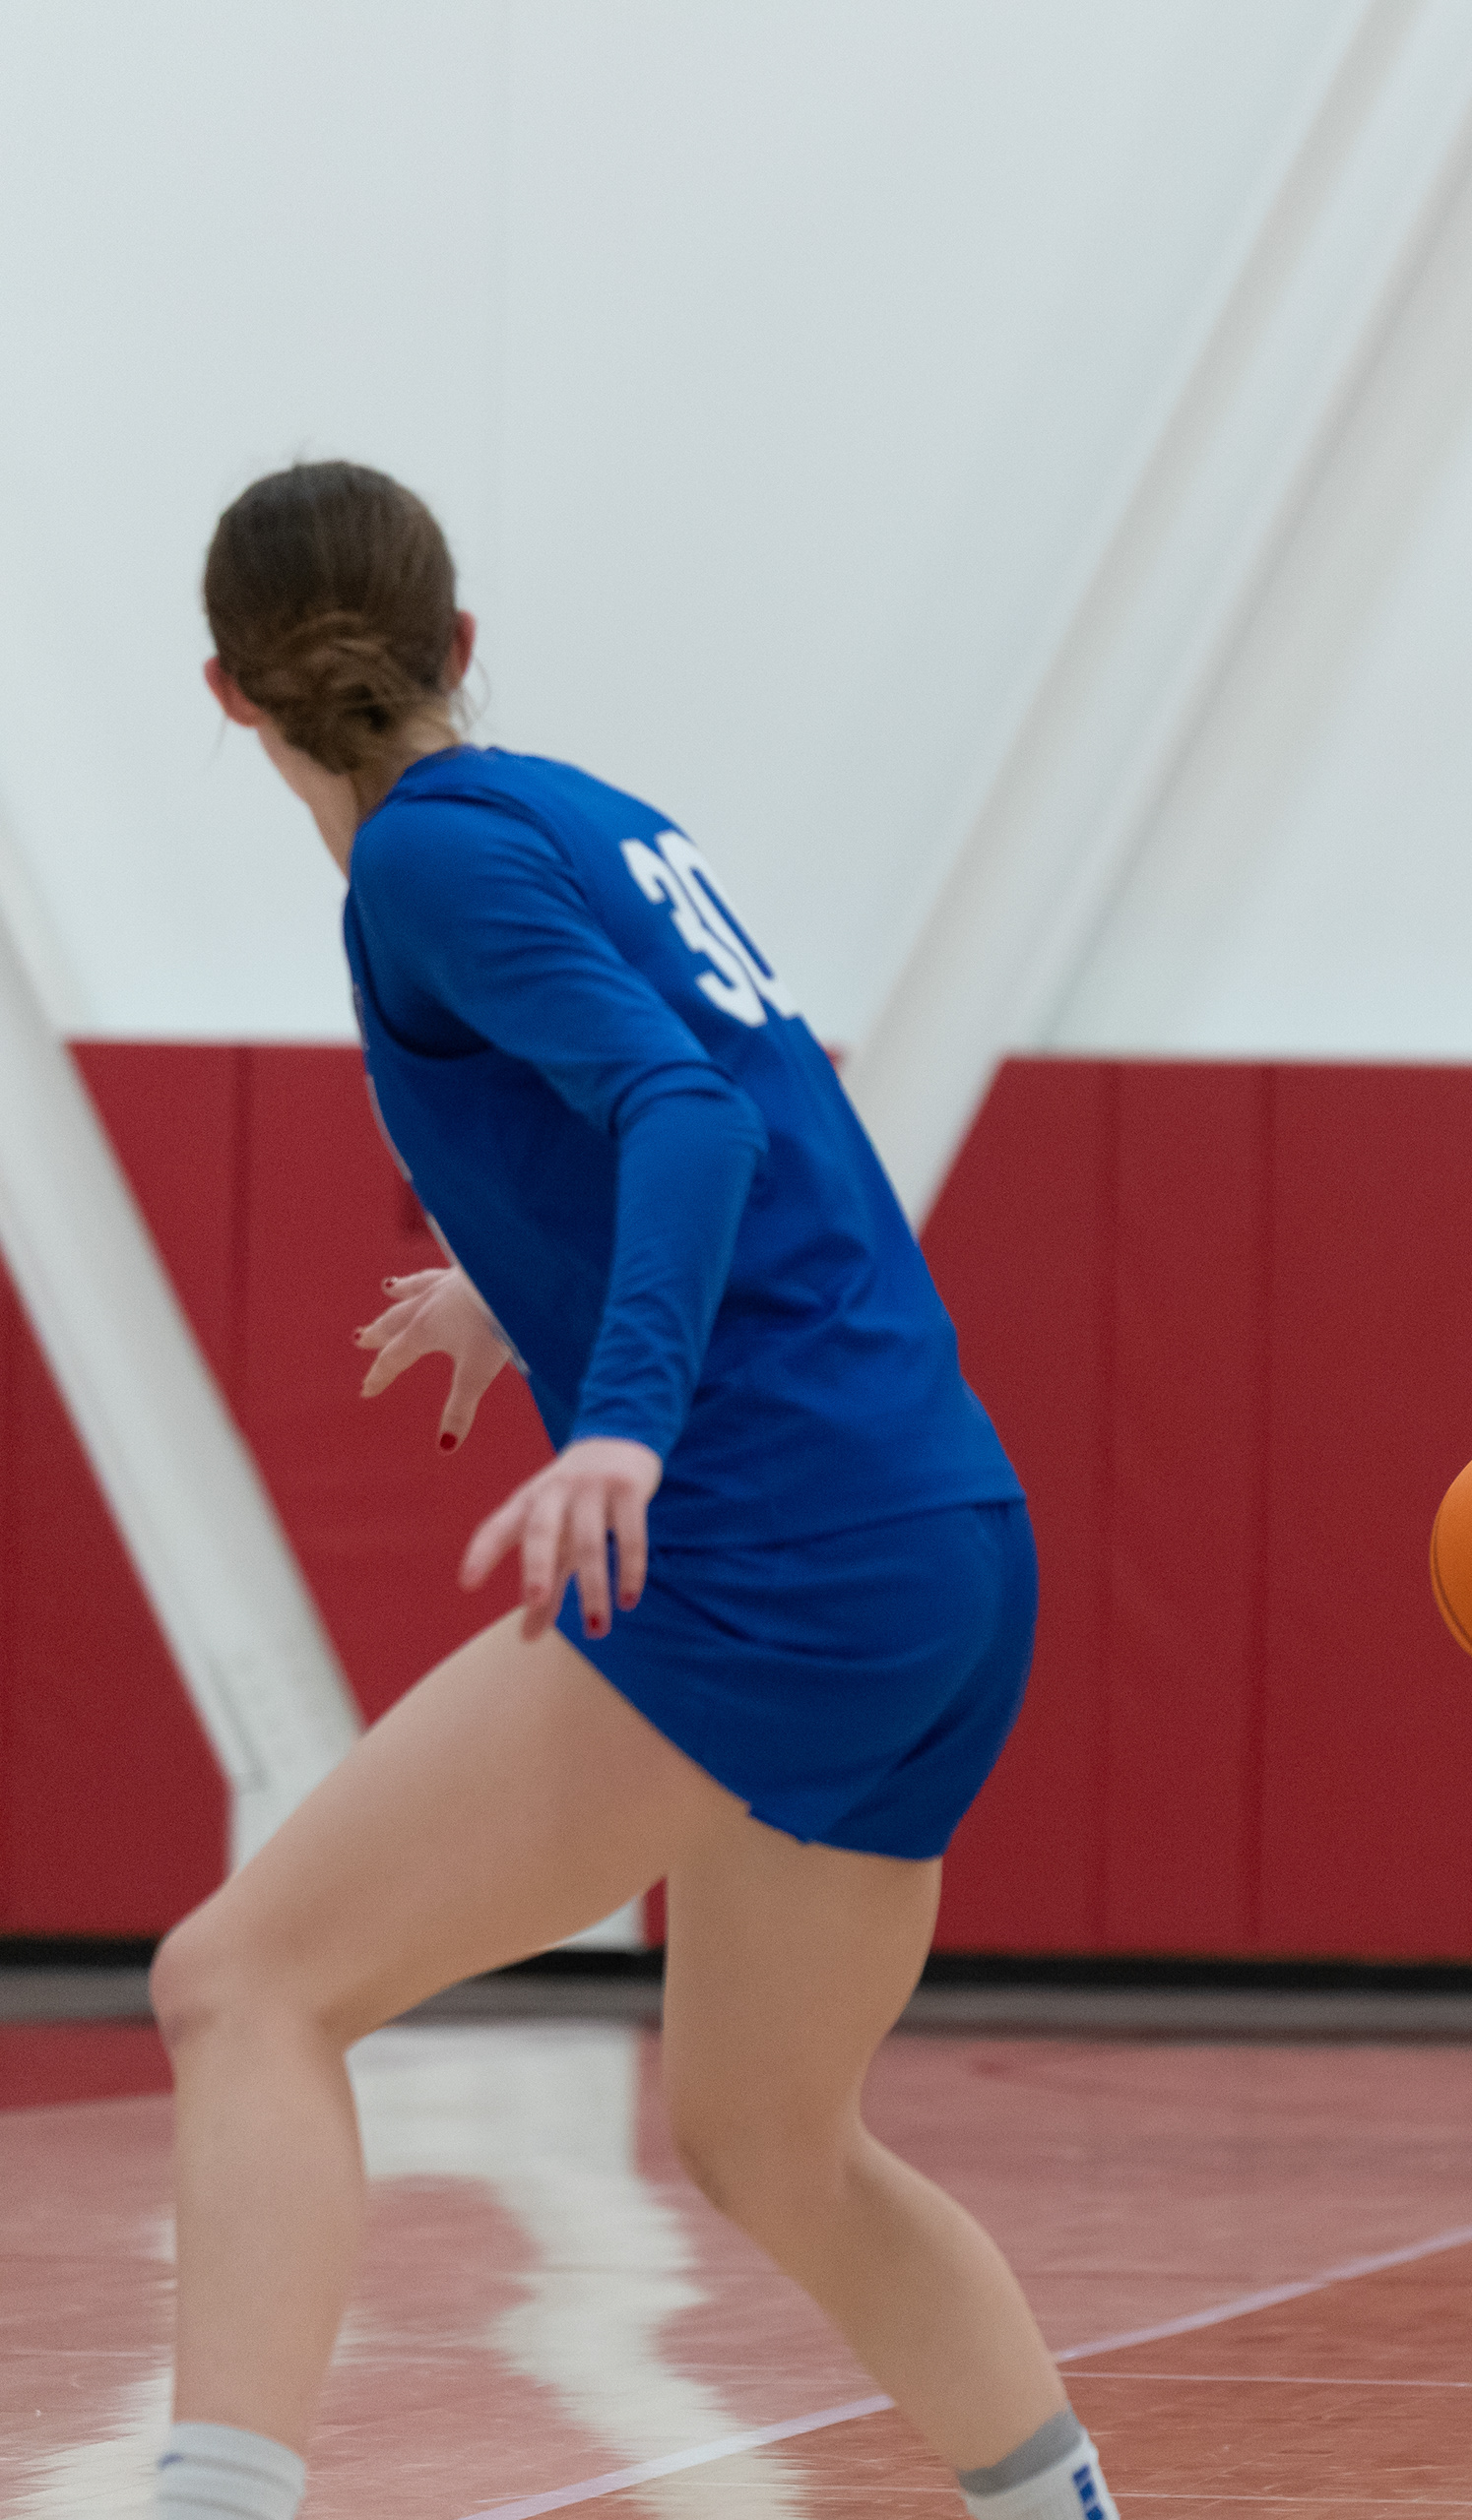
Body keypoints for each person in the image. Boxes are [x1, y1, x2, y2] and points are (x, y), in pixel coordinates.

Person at [145, 461, 1120, 2520]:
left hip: (769, 1540)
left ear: (223, 693)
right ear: (459, 644)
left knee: (241, 1986)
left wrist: (626, 1421)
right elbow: (746, 1100)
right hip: (942, 1537)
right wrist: (518, 1295)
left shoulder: (423, 861)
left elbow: (681, 1112)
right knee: (772, 2138)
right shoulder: (583, 813)